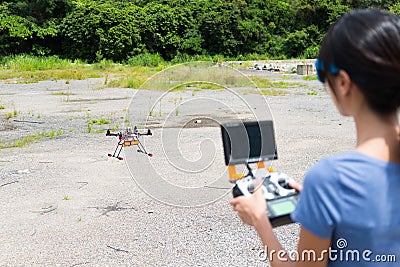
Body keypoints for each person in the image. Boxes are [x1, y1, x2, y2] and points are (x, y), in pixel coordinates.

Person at [230, 9, 400, 267]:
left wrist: (260, 222)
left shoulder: (331, 180)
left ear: (343, 83)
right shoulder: (330, 186)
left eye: (323, 74)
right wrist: (317, 205)